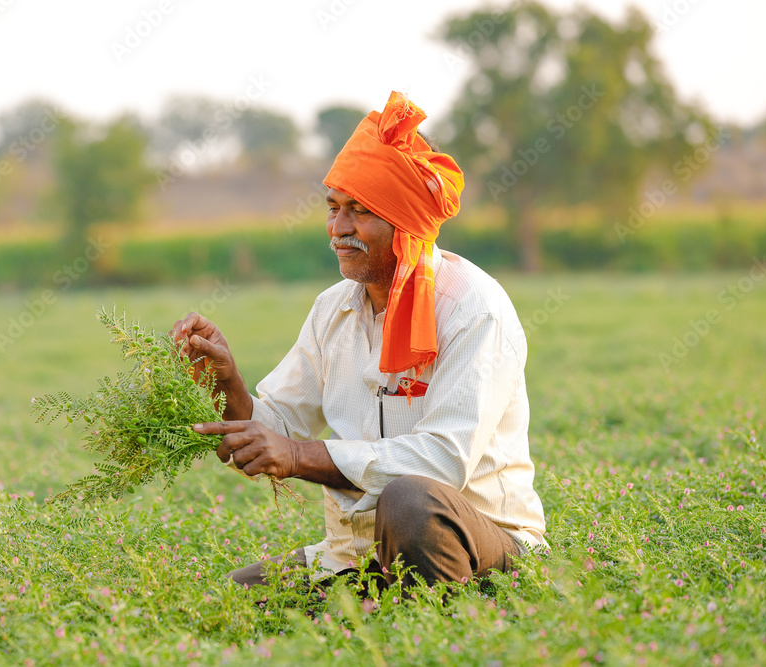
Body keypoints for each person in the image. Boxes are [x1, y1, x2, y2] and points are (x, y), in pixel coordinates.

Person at [172, 91, 546, 589]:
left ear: (406, 223)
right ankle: (374, 598)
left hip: (482, 545)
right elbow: (277, 426)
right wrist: (228, 383)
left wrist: (301, 456)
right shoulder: (335, 307)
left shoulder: (473, 307)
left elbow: (442, 463)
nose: (338, 229)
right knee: (236, 596)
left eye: (360, 211)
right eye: (333, 208)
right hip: (355, 553)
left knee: (411, 501)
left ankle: (448, 624)